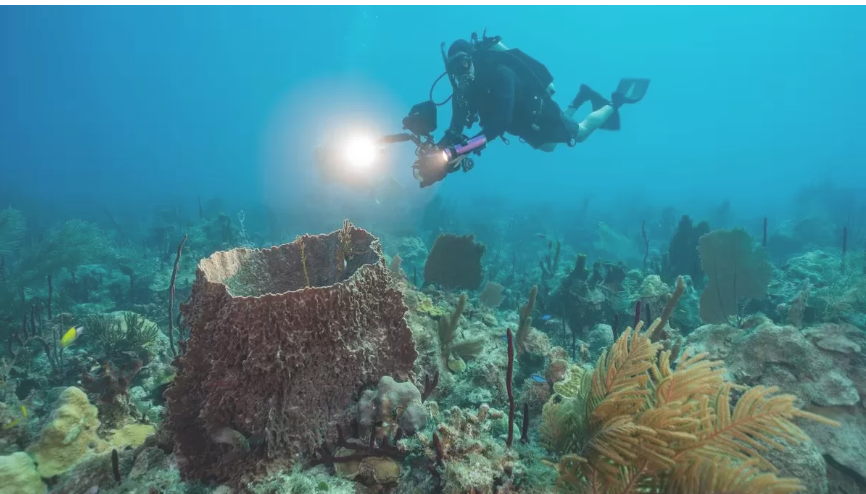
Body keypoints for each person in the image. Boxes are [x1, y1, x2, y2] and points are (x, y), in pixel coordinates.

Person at [412, 35, 649, 187]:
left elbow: (500, 123)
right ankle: (580, 97)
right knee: (549, 148)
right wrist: (438, 152)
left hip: (540, 113)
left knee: (581, 134)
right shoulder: (463, 92)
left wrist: (454, 152)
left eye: (463, 63)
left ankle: (615, 102)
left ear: (473, 58)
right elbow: (456, 128)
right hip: (522, 126)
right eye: (454, 69)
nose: (461, 73)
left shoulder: (501, 73)